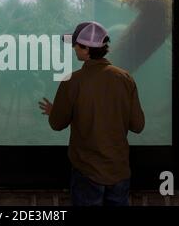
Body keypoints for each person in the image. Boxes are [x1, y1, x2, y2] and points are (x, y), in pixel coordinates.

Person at [38, 21, 145, 206]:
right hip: (119, 172)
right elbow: (138, 125)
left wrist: (55, 111)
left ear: (86, 49)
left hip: (87, 173)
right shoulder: (125, 78)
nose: (73, 49)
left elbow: (57, 124)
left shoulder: (71, 82)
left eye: (75, 45)